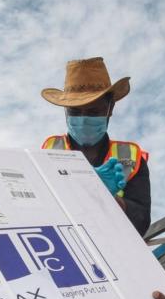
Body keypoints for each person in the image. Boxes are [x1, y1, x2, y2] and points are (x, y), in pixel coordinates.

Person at [41, 57, 151, 235]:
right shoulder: (48, 150)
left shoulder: (131, 158)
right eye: (75, 112)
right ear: (65, 111)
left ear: (110, 108)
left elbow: (142, 223)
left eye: (93, 111)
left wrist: (108, 197)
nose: (83, 118)